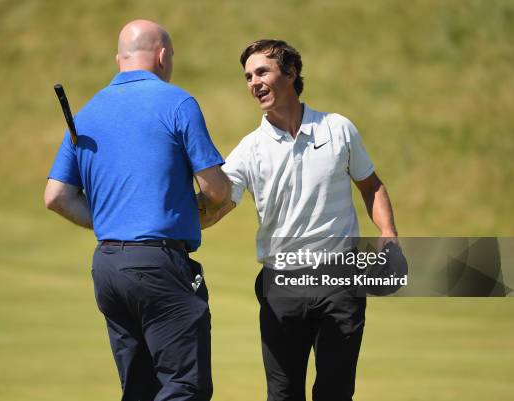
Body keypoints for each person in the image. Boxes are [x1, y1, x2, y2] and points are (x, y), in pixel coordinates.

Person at [201, 39, 398, 401]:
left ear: (291, 73)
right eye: (247, 77)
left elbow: (372, 186)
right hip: (282, 286)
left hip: (340, 278)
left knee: (336, 392)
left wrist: (388, 233)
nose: (254, 83)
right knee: (283, 394)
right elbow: (215, 207)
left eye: (262, 71)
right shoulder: (249, 150)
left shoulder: (338, 129)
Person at [44, 19, 230, 401]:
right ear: (162, 56)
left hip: (108, 266)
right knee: (184, 386)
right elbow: (216, 189)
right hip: (159, 266)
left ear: (119, 59)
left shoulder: (88, 112)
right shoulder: (176, 102)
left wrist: (116, 220)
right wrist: (208, 207)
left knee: (139, 388)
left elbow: (56, 196)